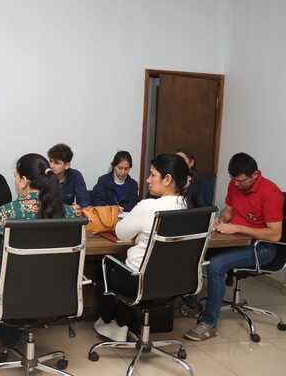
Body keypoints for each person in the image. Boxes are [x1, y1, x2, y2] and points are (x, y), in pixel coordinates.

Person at [185, 153, 283, 341]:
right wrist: (221, 220)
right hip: (235, 240)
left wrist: (238, 228)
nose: (236, 184)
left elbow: (275, 234)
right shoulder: (235, 184)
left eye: (241, 181)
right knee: (193, 251)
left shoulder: (271, 192)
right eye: (234, 180)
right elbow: (229, 211)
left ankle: (209, 324)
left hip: (262, 248)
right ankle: (190, 304)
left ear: (255, 175)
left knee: (216, 265)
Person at [0, 153, 77, 348]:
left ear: (24, 181)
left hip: (13, 298)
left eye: (16, 177)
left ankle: (9, 337)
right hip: (58, 294)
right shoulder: (68, 212)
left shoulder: (6, 213)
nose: (15, 182)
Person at [93, 154, 189, 341]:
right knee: (128, 266)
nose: (147, 180)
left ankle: (112, 322)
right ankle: (123, 322)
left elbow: (121, 233)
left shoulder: (148, 206)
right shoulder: (186, 207)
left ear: (167, 179)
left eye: (152, 175)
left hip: (140, 281)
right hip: (174, 281)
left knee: (103, 267)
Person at [47, 143, 91, 209]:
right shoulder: (44, 175)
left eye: (56, 163)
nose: (51, 166)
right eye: (50, 161)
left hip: (66, 214)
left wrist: (78, 207)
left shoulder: (75, 175)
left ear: (67, 165)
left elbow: (84, 202)